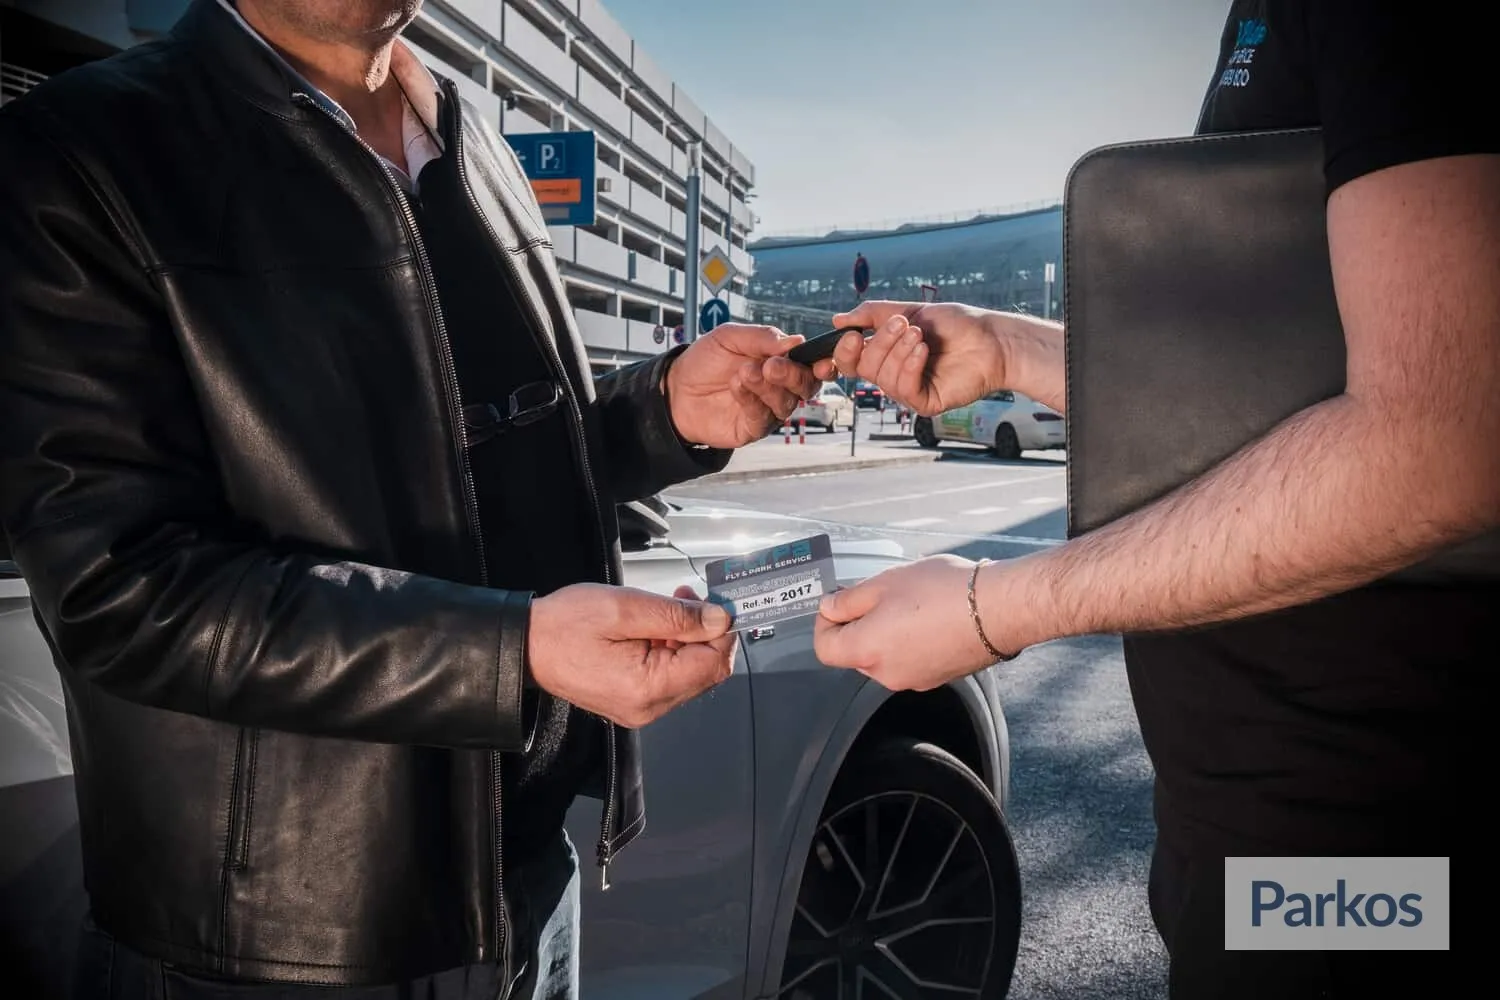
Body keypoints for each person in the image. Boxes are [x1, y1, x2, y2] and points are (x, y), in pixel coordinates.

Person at [0, 1, 820, 997]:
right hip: (286, 946)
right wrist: (513, 650)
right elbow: (121, 590)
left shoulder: (481, 148)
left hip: (528, 879)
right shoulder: (82, 149)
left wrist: (665, 412)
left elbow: (474, 464)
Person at [810, 3, 1495, 997]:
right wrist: (1006, 350)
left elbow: (1446, 435)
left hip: (1378, 855)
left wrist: (988, 609)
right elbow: (1272, 387)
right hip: (1258, 838)